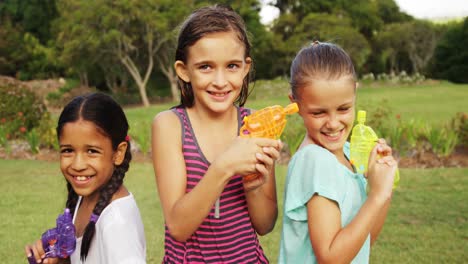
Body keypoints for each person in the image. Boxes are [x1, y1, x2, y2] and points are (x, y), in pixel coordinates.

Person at [151, 4, 282, 263]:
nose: (220, 81)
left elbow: (265, 225)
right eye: (206, 67)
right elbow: (178, 227)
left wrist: (254, 187)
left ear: (246, 68)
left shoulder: (255, 125)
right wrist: (224, 166)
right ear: (184, 70)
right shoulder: (170, 126)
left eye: (232, 66)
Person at [279, 42, 398, 263]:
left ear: (355, 92)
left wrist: (383, 189)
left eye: (343, 108)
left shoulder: (346, 154)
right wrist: (377, 196)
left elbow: (364, 241)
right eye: (319, 113)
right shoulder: (316, 161)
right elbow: (331, 258)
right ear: (295, 104)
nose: (333, 124)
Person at [25, 93, 146, 263]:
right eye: (68, 150)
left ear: (118, 153)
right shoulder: (84, 197)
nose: (78, 164)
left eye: (92, 151)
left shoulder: (117, 223)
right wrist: (60, 259)